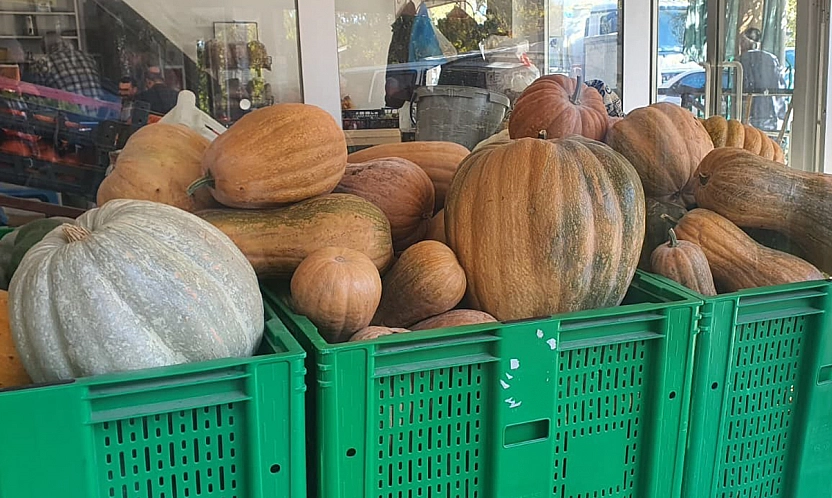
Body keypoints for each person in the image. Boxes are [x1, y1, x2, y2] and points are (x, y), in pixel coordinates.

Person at [736, 27, 785, 131]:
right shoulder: (772, 59)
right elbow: (779, 86)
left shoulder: (741, 61)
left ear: (745, 42)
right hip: (769, 113)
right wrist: (781, 114)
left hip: (748, 113)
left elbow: (740, 86)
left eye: (742, 41)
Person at [31, 32, 104, 99]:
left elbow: (39, 97)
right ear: (64, 43)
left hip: (69, 111)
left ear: (48, 49)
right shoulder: (88, 57)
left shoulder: (43, 63)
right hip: (99, 109)